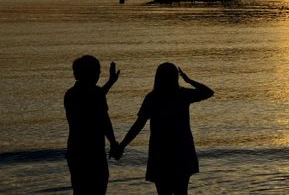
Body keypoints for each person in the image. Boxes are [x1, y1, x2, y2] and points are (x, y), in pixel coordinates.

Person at [119, 63, 213, 195]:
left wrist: (122, 145)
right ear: (175, 78)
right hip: (182, 149)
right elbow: (208, 92)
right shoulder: (182, 95)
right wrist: (189, 80)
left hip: (160, 151)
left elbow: (138, 125)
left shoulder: (152, 98)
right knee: (181, 191)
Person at [64, 55, 122, 195]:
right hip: (94, 151)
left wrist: (110, 82)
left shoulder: (70, 94)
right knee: (98, 187)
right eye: (97, 71)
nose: (99, 74)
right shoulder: (96, 94)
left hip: (75, 151)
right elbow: (104, 121)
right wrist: (113, 142)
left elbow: (92, 98)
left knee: (79, 189)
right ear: (90, 74)